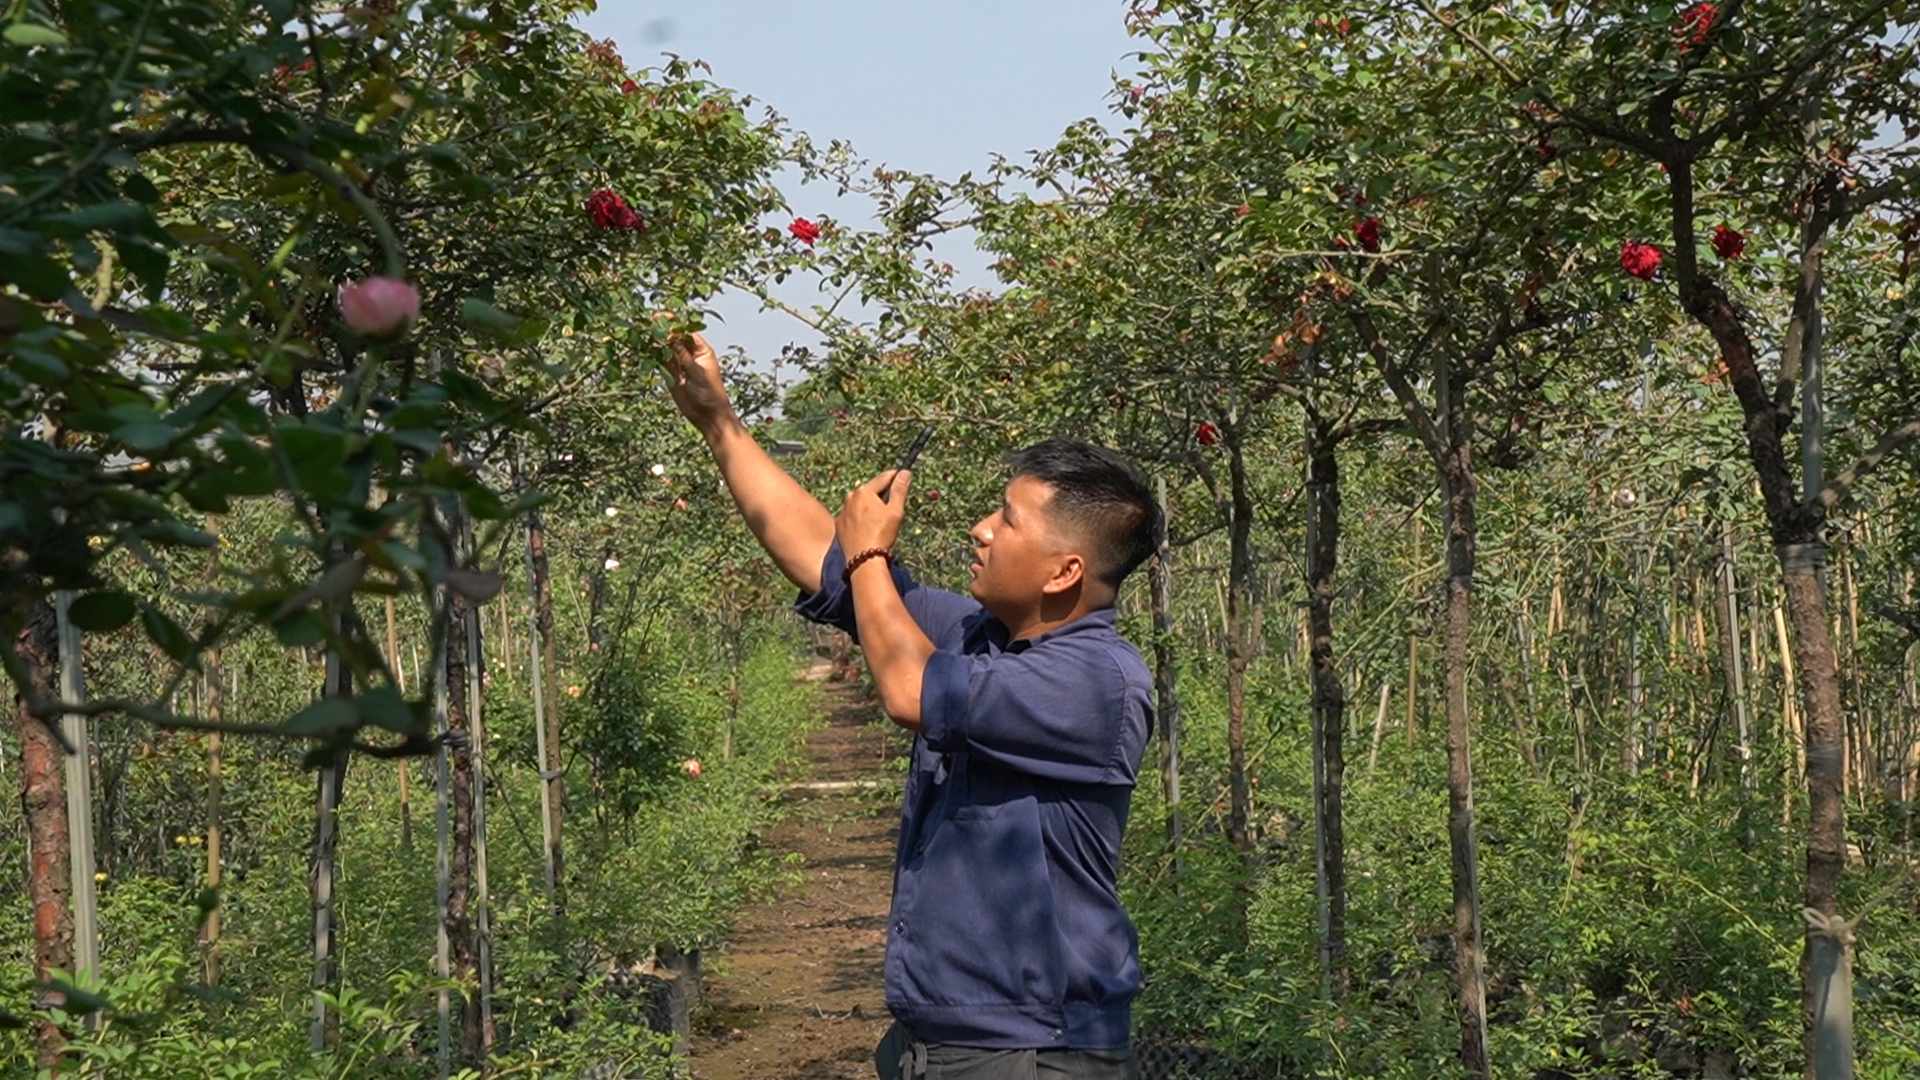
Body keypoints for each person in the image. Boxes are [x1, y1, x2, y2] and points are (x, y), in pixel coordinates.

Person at [662, 332, 1160, 1080]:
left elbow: (905, 688)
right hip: (945, 1042)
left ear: (1066, 571)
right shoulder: (977, 637)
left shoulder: (1098, 680)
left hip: (1029, 1051)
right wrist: (720, 425)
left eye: (1007, 518)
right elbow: (825, 561)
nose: (981, 528)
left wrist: (869, 556)